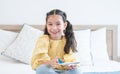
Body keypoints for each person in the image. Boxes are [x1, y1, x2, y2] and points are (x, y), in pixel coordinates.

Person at [31, 9, 81, 74]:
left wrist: (69, 66)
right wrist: (50, 62)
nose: (54, 28)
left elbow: (70, 58)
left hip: (65, 71)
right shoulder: (43, 39)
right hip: (49, 70)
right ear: (46, 25)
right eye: (50, 24)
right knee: (42, 69)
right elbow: (38, 61)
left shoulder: (67, 40)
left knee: (77, 71)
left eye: (58, 24)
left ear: (64, 25)